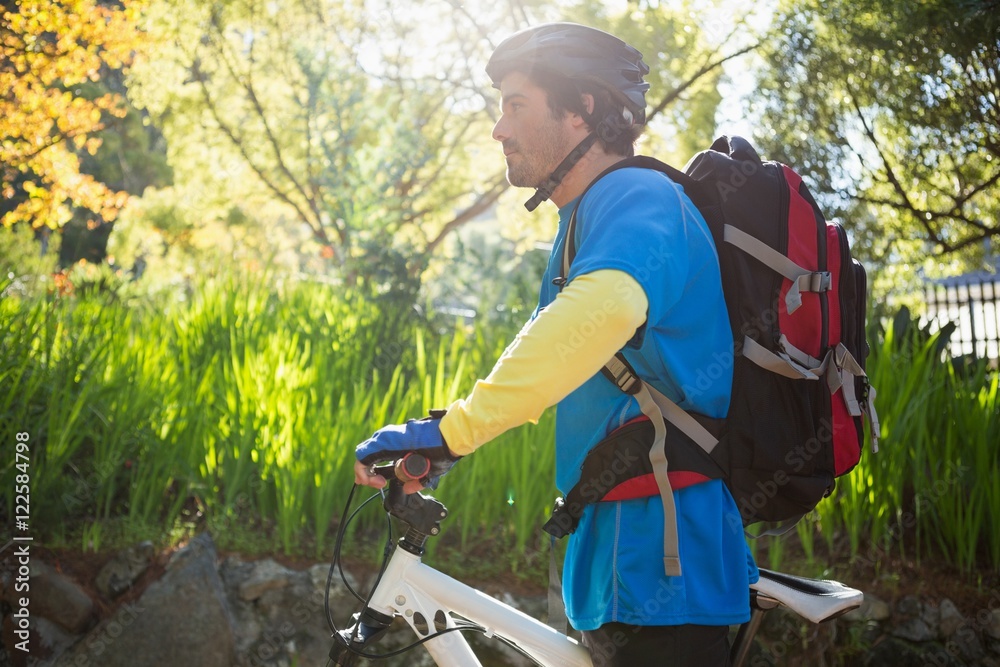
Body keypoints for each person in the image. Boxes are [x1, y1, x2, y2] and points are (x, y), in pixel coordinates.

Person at [354, 22, 758, 666]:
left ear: (582, 110)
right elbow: (556, 348)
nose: (499, 129)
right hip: (622, 557)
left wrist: (452, 432)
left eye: (516, 105)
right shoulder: (588, 219)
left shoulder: (639, 196)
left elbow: (595, 318)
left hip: (664, 562)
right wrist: (444, 437)